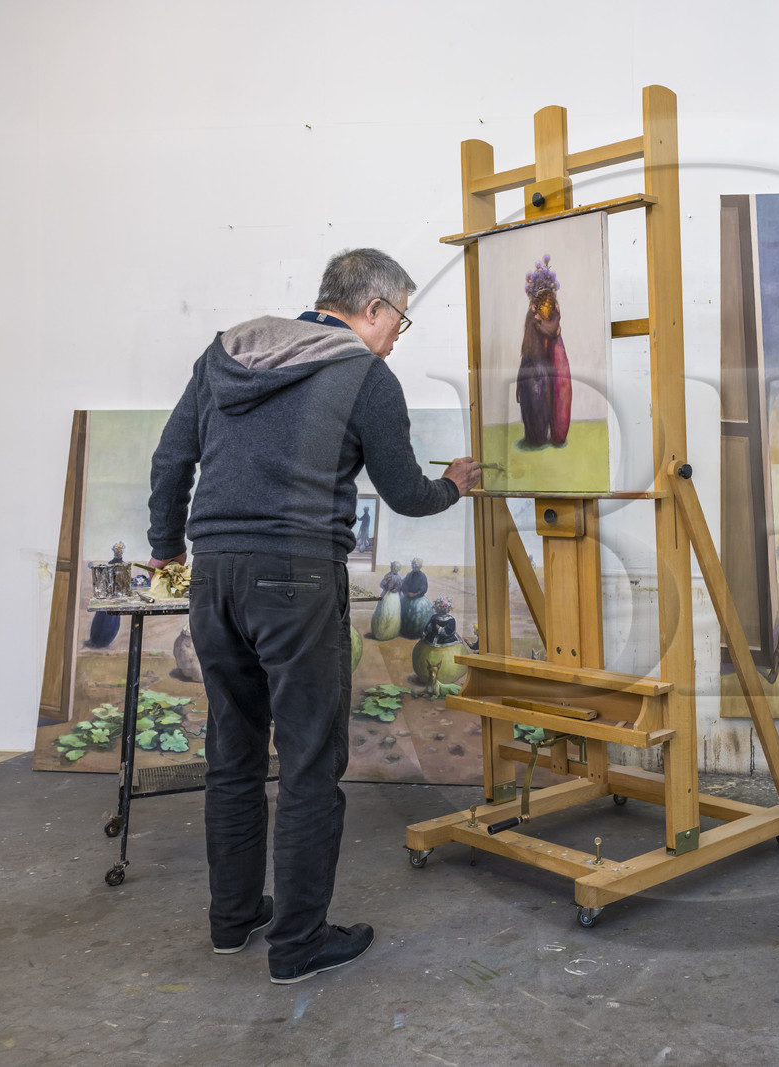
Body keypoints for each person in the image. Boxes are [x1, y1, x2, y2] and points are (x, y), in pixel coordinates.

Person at [148, 248, 481, 984]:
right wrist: (453, 485)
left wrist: (166, 547)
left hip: (214, 574)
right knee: (307, 759)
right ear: (371, 309)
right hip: (295, 576)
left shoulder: (227, 353)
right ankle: (297, 944)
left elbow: (172, 459)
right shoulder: (365, 374)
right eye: (400, 319)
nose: (398, 335)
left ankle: (233, 920)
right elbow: (404, 493)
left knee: (232, 750)